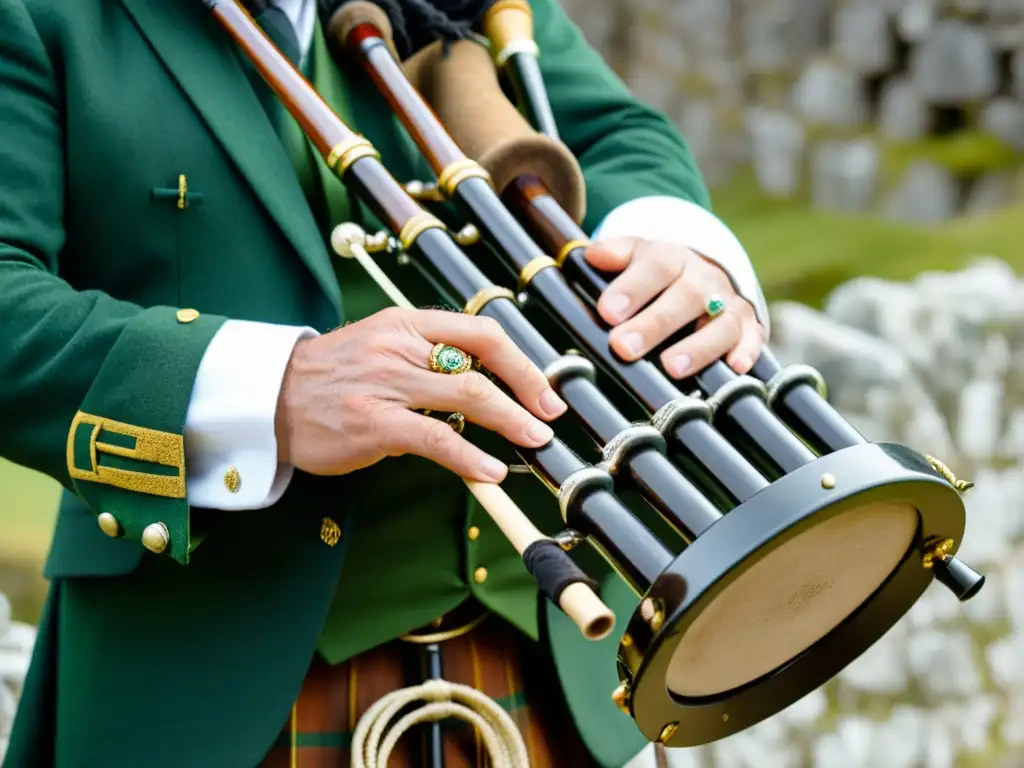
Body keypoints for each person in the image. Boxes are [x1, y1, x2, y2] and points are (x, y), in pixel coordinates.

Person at [0, 0, 769, 765]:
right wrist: (277, 390)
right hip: (205, 687)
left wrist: (680, 250)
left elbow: (614, 136)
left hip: (555, 674)